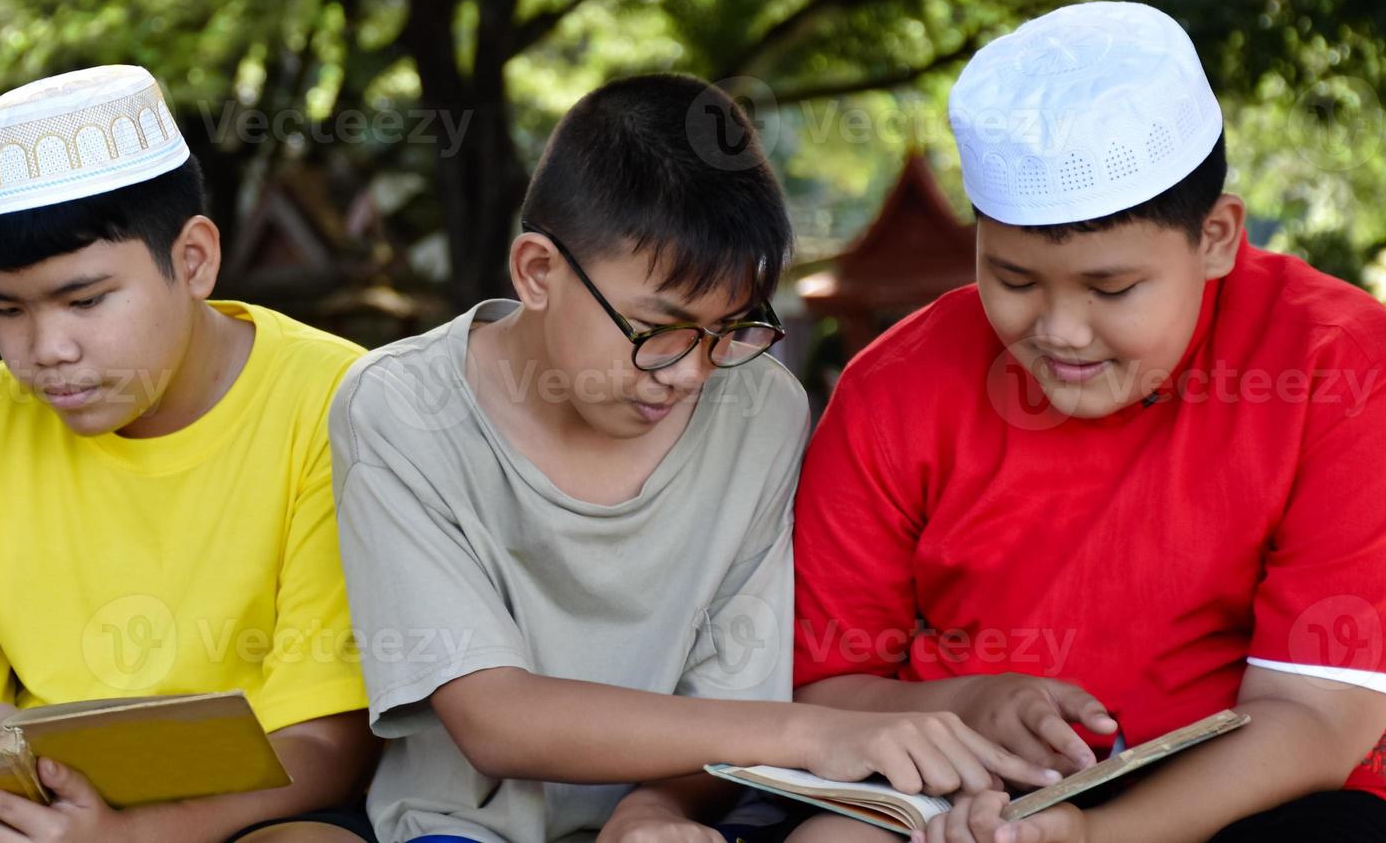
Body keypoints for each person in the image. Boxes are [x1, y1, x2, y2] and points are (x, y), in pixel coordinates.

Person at [792, 0, 1386, 843]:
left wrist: (1092, 838)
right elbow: (827, 690)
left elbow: (1313, 712)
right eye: (1011, 278)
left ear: (1217, 237)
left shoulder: (1337, 364)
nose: (1059, 331)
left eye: (1110, 289)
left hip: (1251, 808)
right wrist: (966, 705)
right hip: (959, 808)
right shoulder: (891, 389)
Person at [331, 74, 1050, 843]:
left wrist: (655, 811)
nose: (690, 373)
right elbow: (493, 717)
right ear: (537, 271)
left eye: (729, 329)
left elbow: (730, 693)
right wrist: (816, 735)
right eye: (658, 328)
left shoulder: (757, 410)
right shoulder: (402, 407)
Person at [0, 66, 379, 842]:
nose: (47, 350)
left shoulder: (338, 405)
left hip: (264, 808)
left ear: (193, 261)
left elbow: (326, 743)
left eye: (86, 301)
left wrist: (129, 838)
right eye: (7, 309)